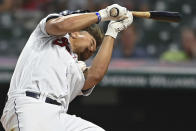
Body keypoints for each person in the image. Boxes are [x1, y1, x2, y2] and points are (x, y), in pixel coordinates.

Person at [1, 4, 133, 131]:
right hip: (30, 106)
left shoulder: (76, 66)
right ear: (75, 33)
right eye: (92, 42)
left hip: (59, 115)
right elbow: (62, 24)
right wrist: (103, 14)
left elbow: (96, 74)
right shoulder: (46, 36)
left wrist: (112, 31)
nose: (92, 50)